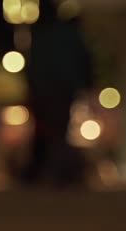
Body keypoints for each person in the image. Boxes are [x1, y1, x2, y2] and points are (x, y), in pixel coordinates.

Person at [20, 0, 93, 187]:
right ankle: (59, 172)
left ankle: (57, 172)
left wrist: (31, 88)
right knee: (57, 130)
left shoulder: (40, 34)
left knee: (51, 131)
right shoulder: (66, 33)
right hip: (61, 88)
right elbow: (84, 59)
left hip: (47, 89)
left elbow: (32, 65)